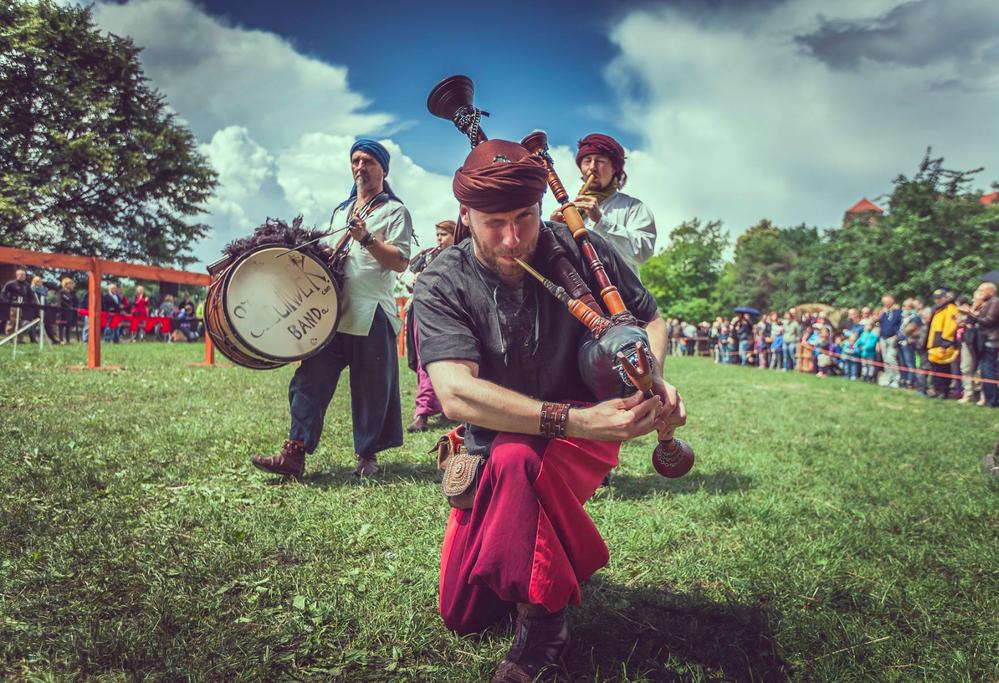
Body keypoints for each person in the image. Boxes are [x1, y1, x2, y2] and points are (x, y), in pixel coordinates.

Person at [414, 139, 684, 681]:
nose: (513, 238)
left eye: (525, 218)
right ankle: (534, 570)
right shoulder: (440, 280)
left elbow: (652, 319)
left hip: (584, 434)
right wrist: (570, 417)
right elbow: (455, 394)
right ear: (466, 215)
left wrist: (646, 372)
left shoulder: (578, 247)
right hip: (499, 441)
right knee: (463, 614)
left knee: (519, 460)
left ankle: (543, 631)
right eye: (495, 223)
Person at [252, 139, 412, 478]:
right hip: (332, 312)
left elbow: (400, 262)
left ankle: (368, 457)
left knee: (372, 387)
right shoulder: (342, 211)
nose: (360, 167)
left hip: (372, 312)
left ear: (383, 168)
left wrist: (367, 238)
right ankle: (294, 452)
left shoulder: (395, 211)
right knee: (310, 379)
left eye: (368, 161)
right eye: (355, 160)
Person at [551, 133, 655, 275]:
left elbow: (642, 253)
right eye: (587, 161)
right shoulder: (571, 210)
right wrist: (555, 230)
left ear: (614, 169)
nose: (592, 167)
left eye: (600, 161)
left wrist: (600, 221)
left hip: (621, 295)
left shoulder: (634, 207)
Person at [406, 219, 457, 432]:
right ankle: (422, 413)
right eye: (437, 234)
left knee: (452, 362)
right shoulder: (427, 256)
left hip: (450, 314)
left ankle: (449, 407)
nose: (439, 238)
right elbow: (407, 275)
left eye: (444, 234)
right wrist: (415, 280)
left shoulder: (460, 256)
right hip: (423, 313)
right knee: (424, 361)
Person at [968, 282, 999, 408]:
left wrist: (974, 315)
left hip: (992, 339)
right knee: (984, 370)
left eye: (982, 291)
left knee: (989, 370)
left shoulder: (996, 302)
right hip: (985, 339)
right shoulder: (989, 303)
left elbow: (989, 321)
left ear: (990, 291)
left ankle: (992, 400)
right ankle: (989, 398)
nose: (980, 293)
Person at [926, 289, 959, 399]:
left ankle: (943, 391)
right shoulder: (938, 310)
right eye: (935, 298)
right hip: (934, 343)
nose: (937, 300)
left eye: (940, 298)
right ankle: (936, 389)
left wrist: (945, 344)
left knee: (943, 369)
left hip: (943, 344)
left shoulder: (950, 309)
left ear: (946, 297)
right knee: (935, 369)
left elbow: (950, 328)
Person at [877, 295, 902, 388]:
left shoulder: (898, 312)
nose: (884, 304)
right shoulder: (884, 313)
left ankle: (896, 379)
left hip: (893, 338)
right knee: (885, 360)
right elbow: (880, 325)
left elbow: (901, 325)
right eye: (883, 302)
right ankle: (888, 378)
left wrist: (896, 336)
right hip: (883, 338)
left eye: (886, 301)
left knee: (891, 358)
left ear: (891, 301)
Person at [2, 268, 33, 338]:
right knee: (12, 321)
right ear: (17, 275)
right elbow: (3, 293)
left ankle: (19, 338)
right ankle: (9, 337)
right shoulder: (10, 283)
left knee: (20, 322)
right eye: (21, 275)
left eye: (24, 275)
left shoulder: (27, 285)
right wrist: (7, 301)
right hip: (13, 305)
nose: (23, 276)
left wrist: (29, 303)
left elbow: (30, 295)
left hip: (23, 306)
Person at [55, 278, 78, 344]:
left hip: (70, 312)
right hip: (62, 312)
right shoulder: (61, 292)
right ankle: (60, 340)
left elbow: (76, 301)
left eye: (72, 283)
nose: (72, 285)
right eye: (70, 283)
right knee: (61, 326)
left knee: (68, 326)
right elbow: (60, 301)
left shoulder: (72, 293)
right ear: (66, 284)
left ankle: (68, 340)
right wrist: (68, 307)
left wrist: (73, 307)